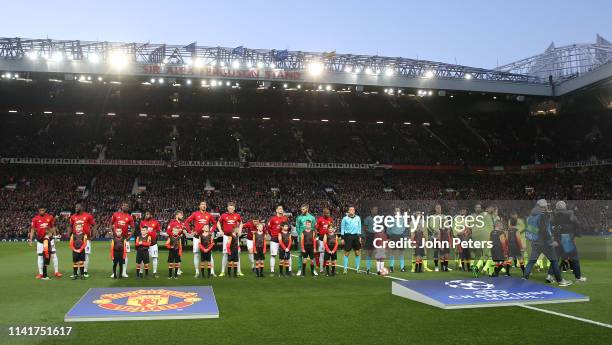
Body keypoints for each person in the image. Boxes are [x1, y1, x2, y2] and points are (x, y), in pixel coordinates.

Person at [523, 199, 572, 286]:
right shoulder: (543, 216)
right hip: (545, 243)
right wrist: (551, 241)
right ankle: (560, 281)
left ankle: (524, 278)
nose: (547, 207)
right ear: (543, 207)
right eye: (546, 206)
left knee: (532, 261)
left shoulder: (531, 216)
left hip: (535, 242)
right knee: (554, 261)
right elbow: (545, 231)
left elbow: (529, 229)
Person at [550, 201, 586, 282]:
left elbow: (550, 225)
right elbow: (577, 225)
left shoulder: (554, 215)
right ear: (565, 207)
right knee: (575, 258)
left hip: (558, 240)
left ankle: (550, 276)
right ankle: (578, 278)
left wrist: (553, 236)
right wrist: (577, 235)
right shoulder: (570, 214)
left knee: (555, 258)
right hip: (568, 239)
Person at [185, 201, 217, 278]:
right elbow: (186, 222)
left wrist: (211, 231)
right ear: (199, 206)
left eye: (205, 204)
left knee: (210, 255)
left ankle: (212, 272)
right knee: (196, 254)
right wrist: (190, 232)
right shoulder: (195, 214)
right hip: (197, 237)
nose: (204, 206)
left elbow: (215, 223)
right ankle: (197, 272)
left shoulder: (208, 215)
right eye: (202, 204)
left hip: (206, 238)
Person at [29, 207, 61, 278]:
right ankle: (40, 273)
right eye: (40, 210)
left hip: (49, 239)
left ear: (45, 210)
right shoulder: (35, 219)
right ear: (38, 211)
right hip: (40, 240)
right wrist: (30, 240)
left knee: (53, 254)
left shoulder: (50, 217)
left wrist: (55, 236)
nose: (41, 211)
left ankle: (56, 272)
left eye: (43, 210)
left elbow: (53, 227)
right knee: (40, 256)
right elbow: (32, 230)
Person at [217, 202, 243, 277]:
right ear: (227, 208)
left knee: (237, 254)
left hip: (235, 237)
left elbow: (241, 223)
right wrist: (221, 231)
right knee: (225, 254)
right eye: (229, 208)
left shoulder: (237, 215)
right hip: (226, 237)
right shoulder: (224, 215)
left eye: (232, 208)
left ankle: (238, 271)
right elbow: (218, 223)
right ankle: (222, 271)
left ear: (234, 208)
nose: (230, 209)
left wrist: (240, 231)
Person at [70, 202, 95, 277]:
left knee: (86, 255)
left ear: (81, 207)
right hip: (76, 239)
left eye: (77, 207)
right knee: (76, 255)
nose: (76, 208)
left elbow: (94, 225)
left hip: (85, 239)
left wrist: (93, 235)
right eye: (75, 207)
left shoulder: (88, 216)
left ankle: (85, 271)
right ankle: (77, 271)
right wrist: (70, 234)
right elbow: (70, 226)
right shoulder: (73, 217)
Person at [110, 202, 135, 278]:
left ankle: (124, 272)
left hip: (124, 239)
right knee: (114, 256)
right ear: (121, 206)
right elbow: (111, 224)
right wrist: (111, 233)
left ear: (128, 208)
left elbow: (133, 228)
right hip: (116, 239)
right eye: (124, 205)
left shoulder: (130, 217)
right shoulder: (115, 214)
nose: (125, 207)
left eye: (127, 206)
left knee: (125, 256)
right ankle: (114, 272)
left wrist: (130, 236)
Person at [295, 204, 316, 276]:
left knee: (312, 255)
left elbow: (313, 228)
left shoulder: (312, 218)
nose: (302, 210)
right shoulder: (298, 217)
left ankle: (313, 270)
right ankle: (300, 269)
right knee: (300, 254)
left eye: (303, 209)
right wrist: (301, 235)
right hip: (301, 238)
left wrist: (311, 236)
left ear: (307, 209)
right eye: (301, 209)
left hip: (310, 239)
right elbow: (297, 227)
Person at [340, 205, 362, 274]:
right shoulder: (345, 218)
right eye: (350, 210)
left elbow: (359, 228)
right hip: (348, 236)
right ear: (348, 211)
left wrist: (360, 237)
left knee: (357, 253)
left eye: (353, 210)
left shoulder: (358, 218)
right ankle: (345, 269)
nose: (352, 211)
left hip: (356, 236)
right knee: (347, 253)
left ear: (354, 211)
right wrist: (342, 238)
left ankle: (358, 269)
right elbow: (342, 228)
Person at [268, 205, 288, 276]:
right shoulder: (272, 219)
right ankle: (272, 271)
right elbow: (268, 228)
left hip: (284, 239)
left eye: (282, 208)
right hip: (274, 239)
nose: (281, 210)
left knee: (287, 255)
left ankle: (289, 270)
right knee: (273, 255)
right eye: (279, 208)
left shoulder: (285, 218)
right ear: (276, 210)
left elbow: (287, 227)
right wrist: (272, 235)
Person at [140, 211, 161, 278]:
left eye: (148, 214)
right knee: (143, 259)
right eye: (146, 214)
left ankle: (154, 272)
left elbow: (158, 232)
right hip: (145, 244)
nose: (146, 215)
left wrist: (155, 236)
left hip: (153, 244)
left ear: (151, 215)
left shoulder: (156, 222)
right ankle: (141, 272)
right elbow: (141, 232)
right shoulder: (142, 222)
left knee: (155, 258)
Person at [166, 211, 186, 279]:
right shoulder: (172, 223)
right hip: (173, 240)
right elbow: (168, 231)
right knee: (173, 255)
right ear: (177, 215)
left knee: (179, 254)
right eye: (181, 215)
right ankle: (175, 271)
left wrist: (184, 231)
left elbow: (183, 231)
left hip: (180, 240)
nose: (182, 216)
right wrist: (175, 236)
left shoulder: (182, 223)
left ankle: (178, 269)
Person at [387, 207, 407, 273]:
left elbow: (405, 227)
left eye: (399, 210)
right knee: (393, 252)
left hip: (401, 236)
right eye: (396, 211)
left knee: (401, 252)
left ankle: (402, 267)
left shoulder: (403, 219)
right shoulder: (391, 219)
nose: (398, 212)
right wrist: (390, 236)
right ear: (394, 212)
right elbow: (388, 229)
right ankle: (391, 267)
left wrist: (402, 233)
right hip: (393, 236)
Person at [315, 208, 333, 273]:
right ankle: (321, 269)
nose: (328, 214)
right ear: (324, 213)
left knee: (330, 253)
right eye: (327, 213)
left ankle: (331, 268)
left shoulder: (330, 219)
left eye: (329, 213)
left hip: (329, 239)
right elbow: (316, 228)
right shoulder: (320, 219)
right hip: (321, 239)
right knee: (322, 254)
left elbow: (331, 228)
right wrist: (316, 236)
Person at [362, 206, 379, 274]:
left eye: (377, 209)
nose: (376, 210)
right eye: (374, 209)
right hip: (370, 236)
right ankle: (368, 269)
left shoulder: (379, 219)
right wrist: (369, 233)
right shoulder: (367, 219)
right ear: (371, 210)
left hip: (377, 236)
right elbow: (365, 228)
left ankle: (378, 269)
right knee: (369, 253)